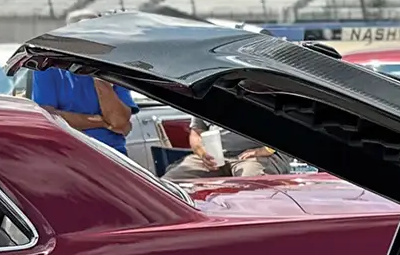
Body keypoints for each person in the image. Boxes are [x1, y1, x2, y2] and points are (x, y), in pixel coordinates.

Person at [28, 65, 134, 153]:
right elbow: (49, 118)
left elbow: (118, 121)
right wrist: (102, 122)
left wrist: (99, 77)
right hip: (69, 154)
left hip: (113, 155)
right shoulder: (49, 67)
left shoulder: (112, 68)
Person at [163, 118, 292, 180]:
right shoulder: (208, 93)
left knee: (253, 185)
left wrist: (265, 150)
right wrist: (203, 153)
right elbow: (196, 133)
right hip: (216, 157)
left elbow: (290, 127)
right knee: (168, 184)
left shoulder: (264, 90)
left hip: (258, 156)